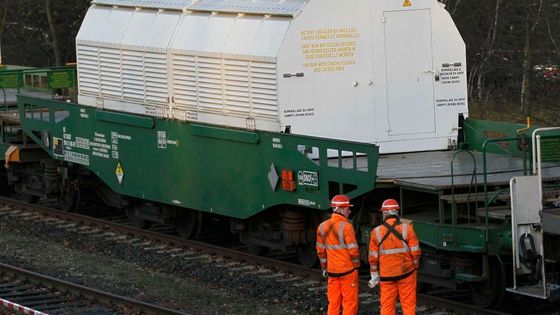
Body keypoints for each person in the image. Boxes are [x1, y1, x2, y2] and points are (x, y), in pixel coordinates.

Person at [368, 199, 421, 315]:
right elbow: (415, 252)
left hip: (386, 275)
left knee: (387, 306)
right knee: (408, 305)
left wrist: (374, 274)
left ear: (384, 213)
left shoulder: (376, 232)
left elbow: (372, 258)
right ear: (397, 212)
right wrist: (415, 266)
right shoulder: (407, 228)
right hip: (406, 273)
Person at [316, 194, 360, 315]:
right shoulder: (347, 226)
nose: (349, 211)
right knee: (349, 302)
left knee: (333, 302)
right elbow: (353, 251)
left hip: (332, 272)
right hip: (347, 271)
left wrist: (324, 267)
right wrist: (356, 266)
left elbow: (320, 251)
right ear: (340, 209)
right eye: (347, 208)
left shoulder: (322, 227)